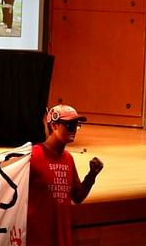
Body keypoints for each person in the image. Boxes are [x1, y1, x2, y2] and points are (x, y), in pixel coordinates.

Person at [27, 105, 104, 246]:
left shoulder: (68, 159)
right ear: (54, 125)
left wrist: (91, 175)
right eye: (69, 125)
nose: (74, 130)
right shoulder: (33, 156)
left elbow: (77, 196)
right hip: (37, 239)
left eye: (76, 125)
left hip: (61, 239)